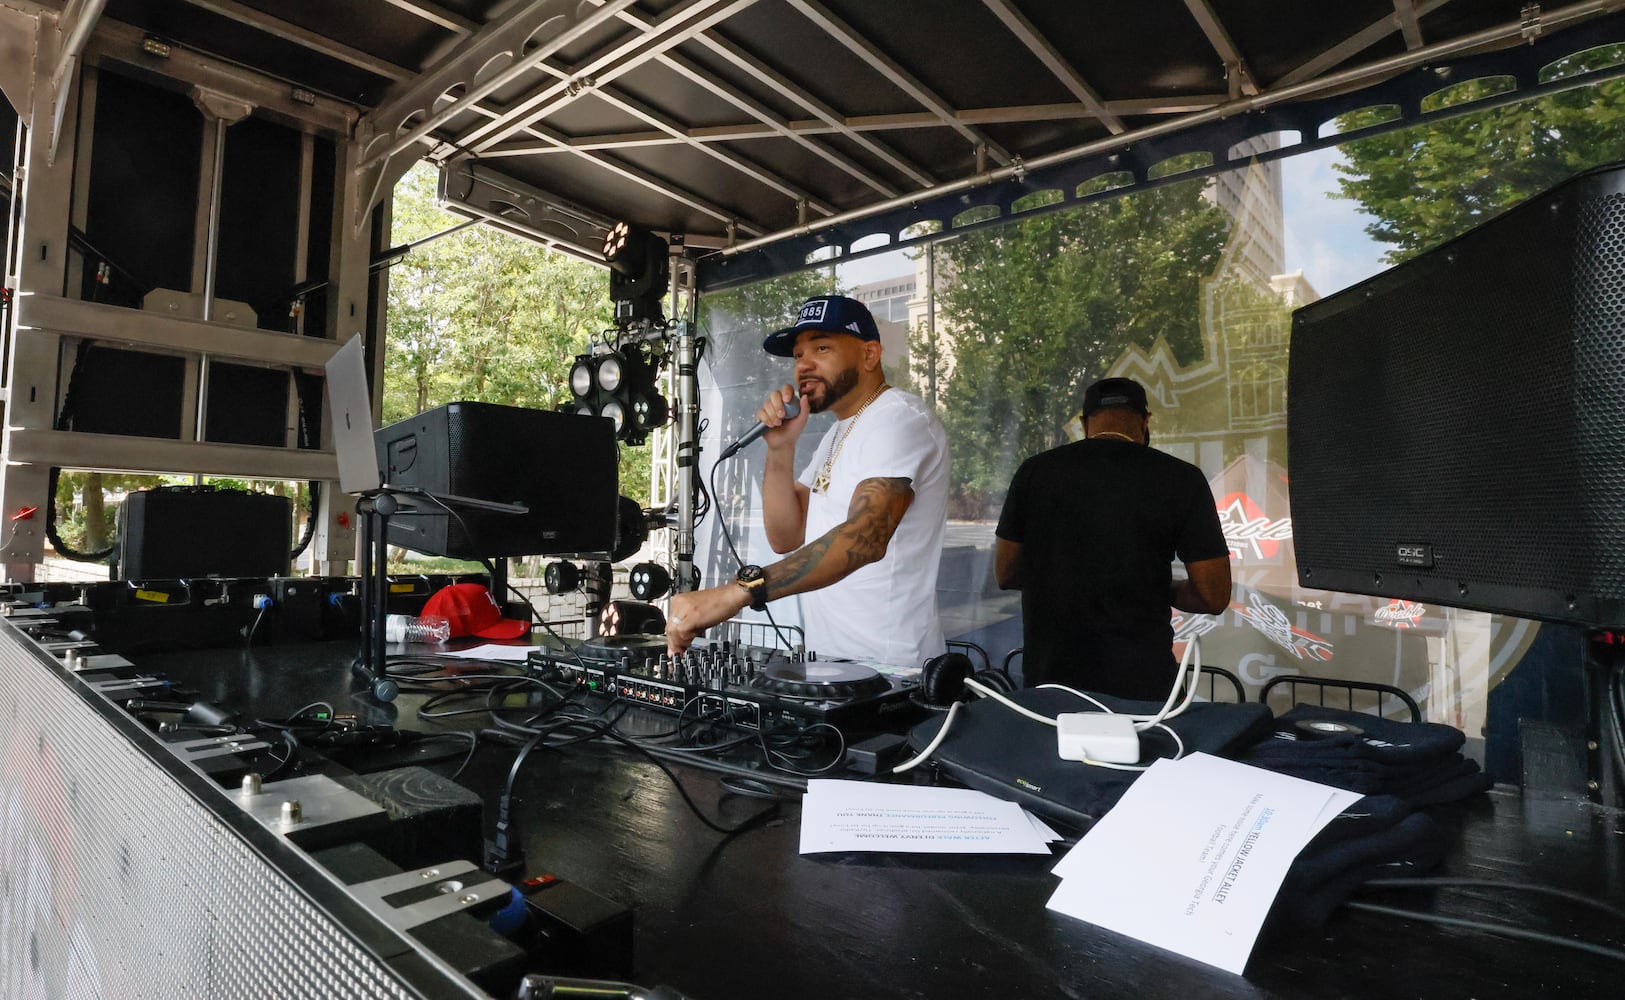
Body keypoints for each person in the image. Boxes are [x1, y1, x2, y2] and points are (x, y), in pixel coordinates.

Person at [666, 294, 950, 667]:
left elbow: (865, 538)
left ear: (869, 354)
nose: (804, 365)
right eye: (799, 355)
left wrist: (737, 593)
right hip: (834, 665)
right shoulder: (839, 431)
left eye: (822, 347)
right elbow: (786, 536)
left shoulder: (898, 418)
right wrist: (780, 450)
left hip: (894, 669)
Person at [994, 376, 1231, 700]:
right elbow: (1213, 595)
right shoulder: (1180, 479)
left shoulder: (1034, 472)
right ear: (1146, 420)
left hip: (1051, 683)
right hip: (1143, 687)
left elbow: (1005, 573)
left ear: (1083, 423)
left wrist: (1062, 577)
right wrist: (1159, 588)